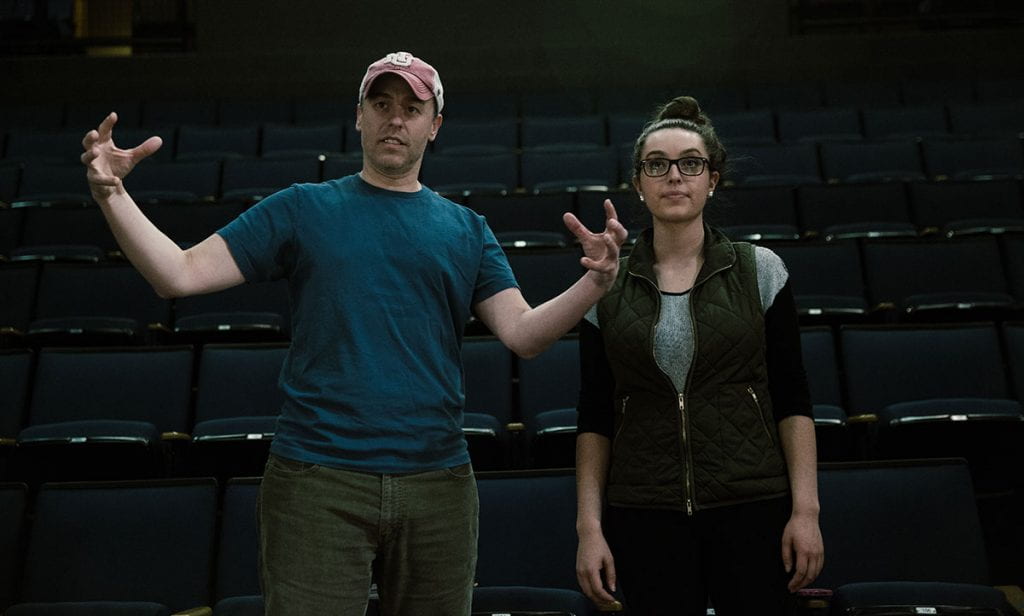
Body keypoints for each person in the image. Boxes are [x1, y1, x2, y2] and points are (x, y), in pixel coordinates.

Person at [80, 51, 628, 616]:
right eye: (382, 104)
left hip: (438, 484)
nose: (396, 119)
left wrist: (596, 284)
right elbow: (178, 274)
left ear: (433, 126)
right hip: (317, 482)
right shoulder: (301, 208)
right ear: (359, 116)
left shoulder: (467, 229)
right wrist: (111, 195)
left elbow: (524, 335)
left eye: (412, 108)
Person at [573, 95, 824, 616]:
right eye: (657, 165)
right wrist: (589, 528)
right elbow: (594, 413)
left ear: (713, 179)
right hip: (644, 510)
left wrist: (807, 510)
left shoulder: (762, 270)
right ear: (638, 184)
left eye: (691, 163)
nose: (674, 177)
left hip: (752, 504)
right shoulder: (605, 281)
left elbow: (792, 396)